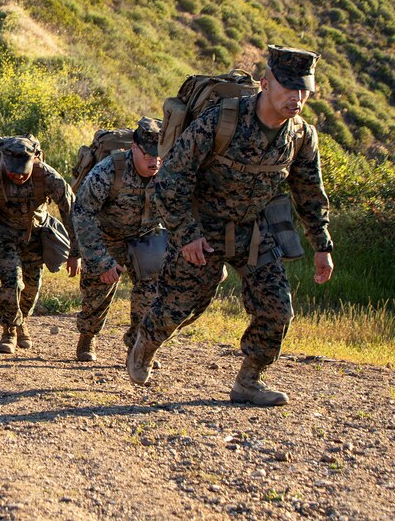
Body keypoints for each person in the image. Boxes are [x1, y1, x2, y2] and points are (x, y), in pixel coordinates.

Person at [128, 46, 334, 406]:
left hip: (253, 231)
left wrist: (322, 245)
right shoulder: (221, 121)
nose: (297, 98)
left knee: (277, 308)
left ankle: (249, 380)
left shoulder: (301, 136)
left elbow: (309, 193)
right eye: (288, 88)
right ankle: (145, 342)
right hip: (201, 230)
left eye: (304, 90)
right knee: (180, 306)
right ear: (265, 84)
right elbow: (171, 181)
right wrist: (187, 235)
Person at [0, 136, 81, 355]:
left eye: (24, 172)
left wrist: (76, 252)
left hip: (35, 234)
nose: (19, 176)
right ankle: (9, 331)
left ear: (34, 161)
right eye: (14, 171)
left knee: (31, 288)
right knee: (12, 281)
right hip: (2, 233)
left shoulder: (48, 176)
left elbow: (71, 211)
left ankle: (20, 320)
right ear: (4, 162)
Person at [72, 118, 163, 362]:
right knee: (96, 296)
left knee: (151, 293)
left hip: (145, 239)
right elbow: (82, 212)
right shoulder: (110, 170)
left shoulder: (170, 170)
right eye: (148, 154)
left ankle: (138, 345)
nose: (154, 161)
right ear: (134, 147)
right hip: (107, 237)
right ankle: (88, 336)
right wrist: (100, 260)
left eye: (159, 155)